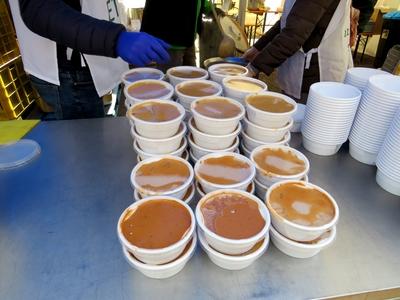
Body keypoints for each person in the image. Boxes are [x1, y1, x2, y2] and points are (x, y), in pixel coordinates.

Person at [9, 0, 170, 120]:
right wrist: (115, 38)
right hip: (69, 71)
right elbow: (40, 8)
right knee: (84, 147)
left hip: (89, 55)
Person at [243, 0, 365, 103]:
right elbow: (289, 20)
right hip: (307, 67)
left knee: (305, 120)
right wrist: (257, 48)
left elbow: (294, 34)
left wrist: (253, 68)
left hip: (317, 73)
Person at [140, 0, 210, 72]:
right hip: (171, 42)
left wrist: (208, 6)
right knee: (169, 76)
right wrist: (144, 35)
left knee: (193, 75)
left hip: (189, 38)